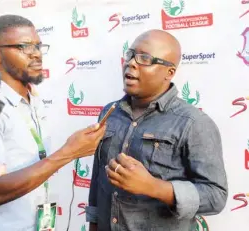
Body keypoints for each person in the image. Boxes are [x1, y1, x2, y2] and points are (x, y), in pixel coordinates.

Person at [0, 14, 106, 231]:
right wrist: (69, 152)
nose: (36, 54)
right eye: (24, 46)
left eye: (37, 46)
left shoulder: (34, 99)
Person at [86, 29, 228, 231]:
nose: (132, 62)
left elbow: (216, 196)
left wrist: (155, 187)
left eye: (144, 58)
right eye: (130, 54)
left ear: (169, 72)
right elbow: (98, 178)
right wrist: (94, 223)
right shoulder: (110, 113)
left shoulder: (193, 123)